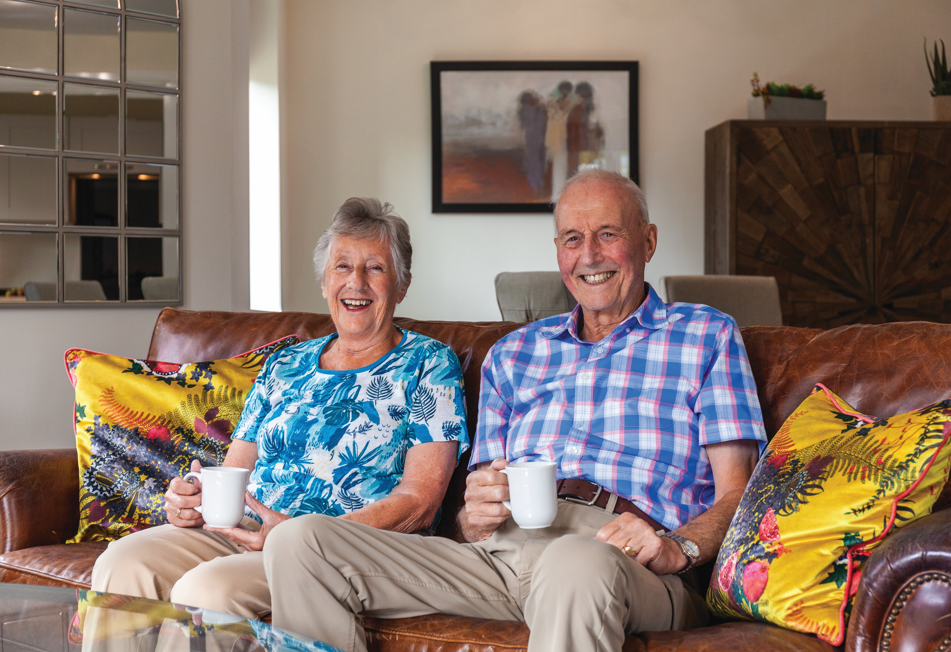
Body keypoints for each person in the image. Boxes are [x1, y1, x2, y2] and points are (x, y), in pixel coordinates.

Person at [262, 170, 767, 652]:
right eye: (572, 238)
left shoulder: (705, 335)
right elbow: (471, 517)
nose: (588, 255)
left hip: (628, 556)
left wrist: (678, 546)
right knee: (300, 542)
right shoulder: (515, 352)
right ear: (558, 252)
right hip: (502, 555)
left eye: (608, 234)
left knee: (575, 561)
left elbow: (738, 493)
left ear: (648, 241)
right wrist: (473, 516)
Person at [89, 198, 470, 621]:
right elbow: (237, 471)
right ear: (325, 282)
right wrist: (195, 501)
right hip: (248, 531)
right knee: (122, 562)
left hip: (335, 548)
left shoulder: (430, 364)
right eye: (342, 266)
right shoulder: (285, 364)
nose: (356, 282)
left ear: (402, 284)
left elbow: (420, 501)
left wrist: (292, 533)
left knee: (207, 590)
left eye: (375, 268)